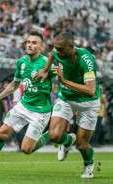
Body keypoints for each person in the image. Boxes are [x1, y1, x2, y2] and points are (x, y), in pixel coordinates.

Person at [0, 30, 54, 172]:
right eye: (28, 42)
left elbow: (62, 79)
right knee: (1, 133)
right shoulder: (22, 62)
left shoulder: (46, 65)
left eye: (34, 43)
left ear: (41, 47)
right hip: (24, 106)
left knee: (26, 149)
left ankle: (52, 135)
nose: (30, 45)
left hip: (40, 111)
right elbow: (14, 84)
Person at [34, 32, 101, 179]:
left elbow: (90, 90)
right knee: (54, 135)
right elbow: (52, 54)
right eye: (55, 48)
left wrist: (64, 82)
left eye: (60, 49)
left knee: (82, 145)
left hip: (88, 102)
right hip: (66, 98)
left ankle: (88, 163)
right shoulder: (58, 52)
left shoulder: (85, 59)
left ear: (72, 47)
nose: (57, 52)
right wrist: (44, 70)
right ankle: (68, 140)